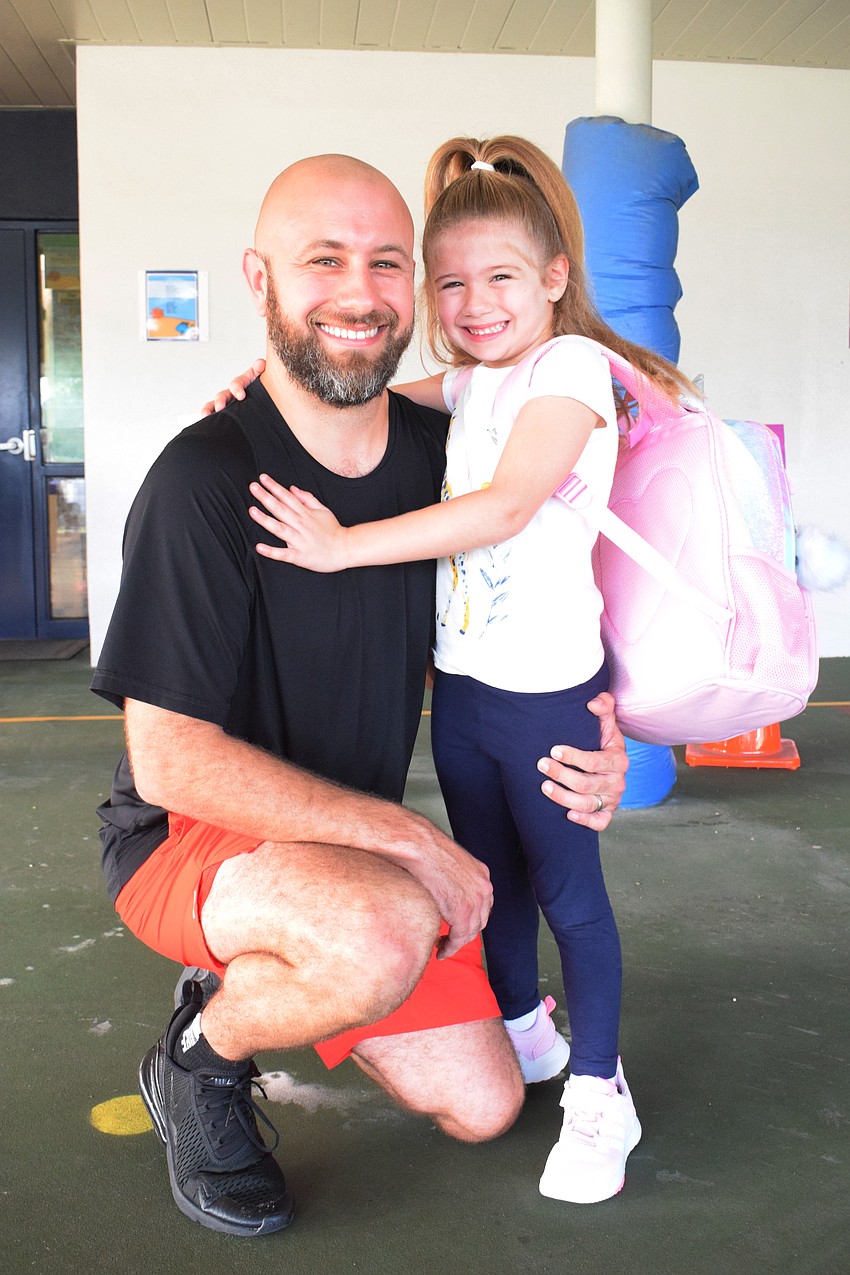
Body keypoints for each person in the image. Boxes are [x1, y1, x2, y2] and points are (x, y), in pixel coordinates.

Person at [91, 152, 628, 1239]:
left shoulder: (447, 453)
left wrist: (606, 720)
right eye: (321, 259)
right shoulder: (205, 477)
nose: (358, 290)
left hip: (348, 850)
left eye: (387, 263)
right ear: (261, 278)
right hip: (188, 841)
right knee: (387, 928)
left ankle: (271, 969)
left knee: (483, 1106)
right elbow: (171, 762)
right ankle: (201, 1059)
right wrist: (408, 840)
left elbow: (557, 567)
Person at [243, 137, 696, 1207]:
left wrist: (342, 545)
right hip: (468, 697)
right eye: (448, 282)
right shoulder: (476, 376)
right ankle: (528, 1033)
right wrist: (259, 379)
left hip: (546, 697)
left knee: (571, 898)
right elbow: (393, 391)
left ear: (552, 278)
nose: (473, 301)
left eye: (500, 276)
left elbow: (503, 507)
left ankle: (600, 1090)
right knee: (492, 886)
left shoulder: (574, 372)